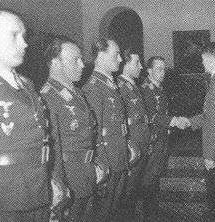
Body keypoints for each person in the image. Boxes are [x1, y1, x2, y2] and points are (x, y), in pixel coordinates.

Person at [0, 9, 52, 221]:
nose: (24, 43)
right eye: (14, 35)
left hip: (37, 191)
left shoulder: (26, 83)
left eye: (23, 36)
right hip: (2, 200)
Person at [40, 36, 107, 221]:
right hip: (69, 177)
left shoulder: (76, 92)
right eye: (75, 60)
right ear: (55, 62)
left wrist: (96, 164)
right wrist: (59, 184)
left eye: (81, 59)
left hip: (86, 172)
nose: (82, 65)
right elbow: (51, 147)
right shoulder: (48, 97)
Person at [176, 42, 215, 219]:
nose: (202, 63)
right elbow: (212, 114)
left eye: (203, 59)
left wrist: (210, 155)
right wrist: (189, 121)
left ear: (210, 58)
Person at [82, 37, 138, 222]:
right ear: (100, 56)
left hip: (118, 156)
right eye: (116, 54)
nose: (121, 59)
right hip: (107, 160)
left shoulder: (109, 84)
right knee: (103, 213)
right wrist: (100, 164)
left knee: (113, 211)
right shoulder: (93, 87)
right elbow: (93, 131)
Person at [140, 56, 182, 221]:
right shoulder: (145, 89)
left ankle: (153, 214)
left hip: (161, 141)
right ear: (149, 71)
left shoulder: (160, 88)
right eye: (159, 69)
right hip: (152, 142)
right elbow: (150, 115)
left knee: (155, 178)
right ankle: (148, 216)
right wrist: (173, 121)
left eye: (164, 69)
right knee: (149, 181)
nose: (163, 72)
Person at [117, 48, 150, 219]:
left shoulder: (132, 85)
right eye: (137, 63)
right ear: (125, 64)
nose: (141, 66)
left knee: (133, 192)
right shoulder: (121, 87)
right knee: (127, 194)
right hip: (132, 150)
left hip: (140, 145)